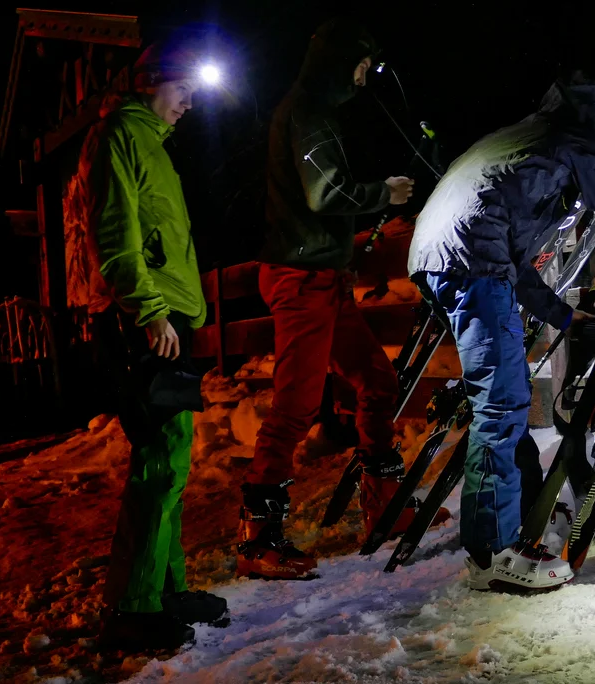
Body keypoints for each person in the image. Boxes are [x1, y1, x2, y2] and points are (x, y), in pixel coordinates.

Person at [408, 72, 595, 591]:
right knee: (501, 404)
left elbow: (516, 257)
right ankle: (493, 553)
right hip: (471, 257)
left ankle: (506, 526)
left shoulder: (525, 138)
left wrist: (565, 317)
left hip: (440, 257)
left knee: (499, 401)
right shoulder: (579, 137)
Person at [238, 18, 448, 581]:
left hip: (322, 279)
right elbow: (324, 192)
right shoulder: (306, 112)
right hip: (300, 279)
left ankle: (385, 505)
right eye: (359, 65)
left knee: (378, 383)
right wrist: (386, 192)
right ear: (337, 63)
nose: (364, 77)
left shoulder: (315, 112)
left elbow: (321, 199)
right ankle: (259, 536)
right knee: (295, 406)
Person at [76, 40, 227, 651]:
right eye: (184, 89)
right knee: (157, 464)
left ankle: (164, 589)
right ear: (152, 82)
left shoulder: (153, 146)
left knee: (175, 465)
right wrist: (150, 310)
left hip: (171, 324)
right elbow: (117, 232)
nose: (189, 103)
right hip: (151, 324)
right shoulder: (119, 136)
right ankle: (130, 607)